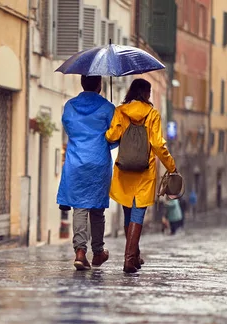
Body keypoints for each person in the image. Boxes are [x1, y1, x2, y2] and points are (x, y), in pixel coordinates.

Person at [105, 78, 178, 274]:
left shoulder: (121, 111)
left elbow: (111, 137)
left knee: (128, 213)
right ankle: (129, 259)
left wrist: (115, 118)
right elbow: (158, 145)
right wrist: (171, 166)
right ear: (146, 93)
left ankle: (134, 256)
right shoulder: (152, 114)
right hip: (145, 172)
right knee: (138, 214)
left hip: (124, 169)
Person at [57, 75, 117, 271]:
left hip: (75, 161)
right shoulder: (107, 108)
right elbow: (114, 137)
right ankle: (98, 251)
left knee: (80, 207)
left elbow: (68, 128)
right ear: (100, 85)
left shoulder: (70, 106)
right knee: (97, 209)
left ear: (82, 83)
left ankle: (80, 253)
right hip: (98, 161)